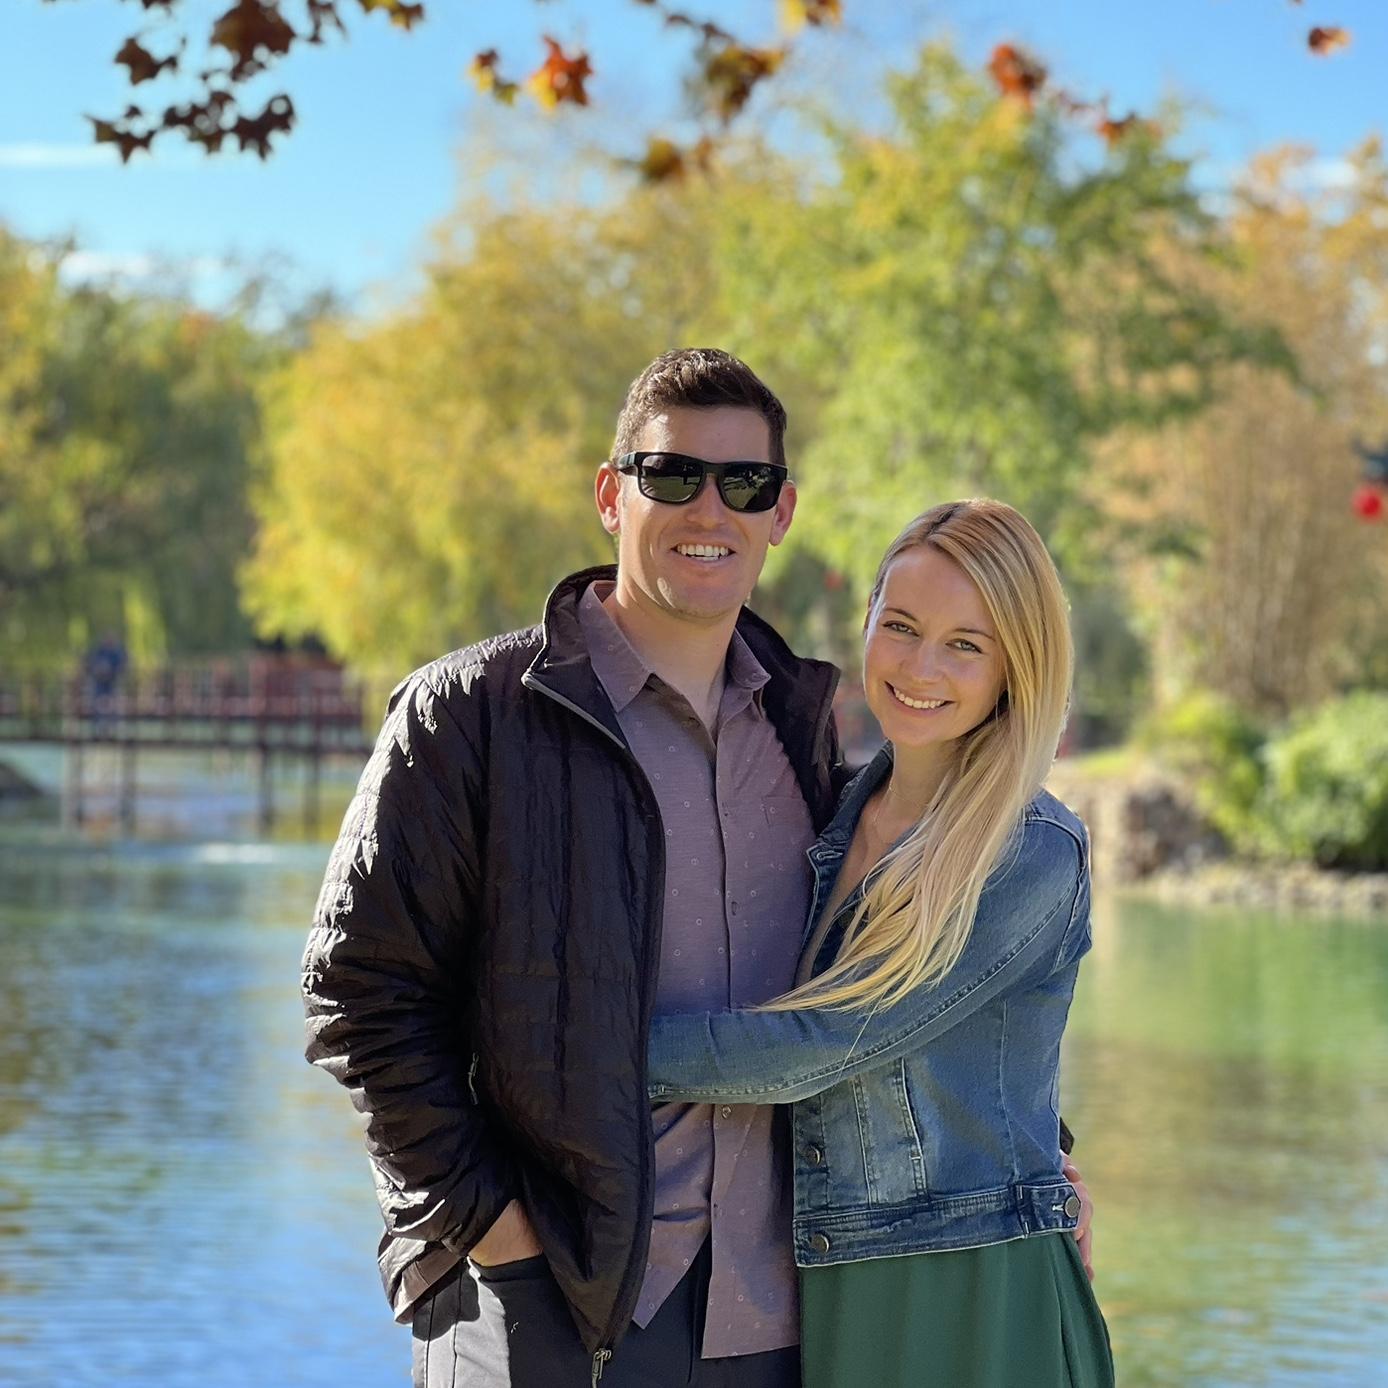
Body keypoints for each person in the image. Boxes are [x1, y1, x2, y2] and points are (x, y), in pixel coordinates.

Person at [302, 351, 1092, 1388]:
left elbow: (895, 999)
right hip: (548, 1300)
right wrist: (497, 1236)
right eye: (671, 475)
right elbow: (358, 997)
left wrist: (1037, 1154)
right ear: (609, 495)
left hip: (780, 1320)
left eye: (744, 483)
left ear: (781, 512)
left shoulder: (804, 737)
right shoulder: (468, 715)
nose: (708, 509)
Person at [645, 499, 1113, 1387]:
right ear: (866, 621)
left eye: (965, 644)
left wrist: (590, 1056)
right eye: (900, 626)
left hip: (979, 1294)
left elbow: (820, 1047)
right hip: (839, 1287)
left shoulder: (1029, 850)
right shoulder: (827, 814)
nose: (920, 667)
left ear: (1015, 665)